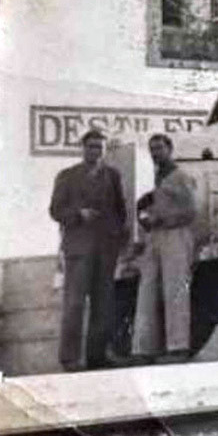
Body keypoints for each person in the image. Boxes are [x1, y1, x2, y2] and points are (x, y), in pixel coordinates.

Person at [48, 129, 127, 371]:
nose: (95, 151)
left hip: (106, 249)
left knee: (103, 304)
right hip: (78, 249)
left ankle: (97, 357)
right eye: (91, 146)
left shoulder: (112, 175)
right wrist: (78, 214)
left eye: (100, 147)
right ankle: (69, 359)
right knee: (74, 304)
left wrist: (116, 238)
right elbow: (55, 210)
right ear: (83, 148)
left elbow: (120, 211)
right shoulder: (67, 175)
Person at [132, 134, 198, 362]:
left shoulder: (181, 176)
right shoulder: (156, 177)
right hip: (156, 236)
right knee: (147, 289)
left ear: (170, 149)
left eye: (159, 148)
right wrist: (145, 214)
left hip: (176, 234)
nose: (155, 153)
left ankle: (178, 347)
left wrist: (163, 219)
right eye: (152, 149)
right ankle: (144, 348)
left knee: (175, 290)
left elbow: (190, 211)